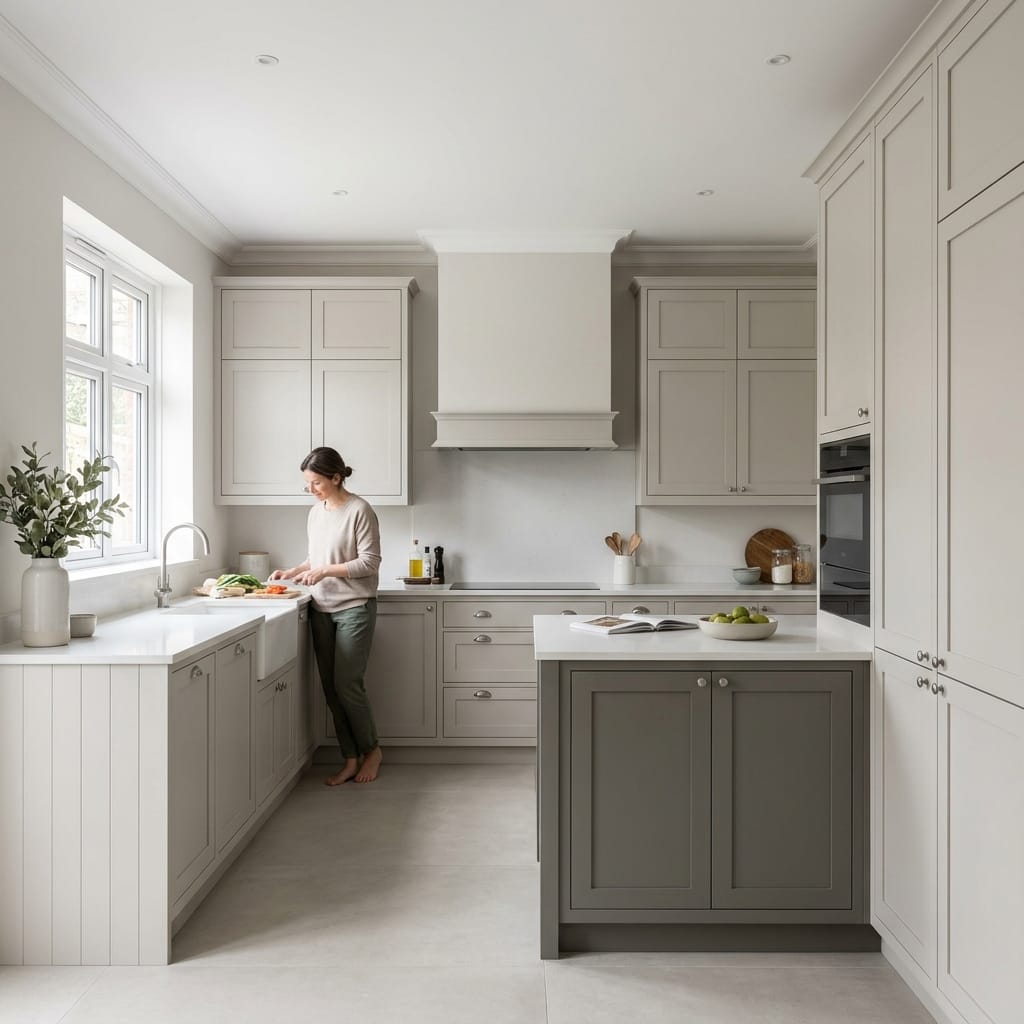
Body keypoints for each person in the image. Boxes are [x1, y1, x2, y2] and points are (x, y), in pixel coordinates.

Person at [270, 447, 383, 785]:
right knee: (330, 689)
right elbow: (315, 557)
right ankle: (349, 758)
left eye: (317, 482)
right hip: (321, 608)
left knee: (348, 684)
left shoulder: (360, 510)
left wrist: (323, 572)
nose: (312, 489)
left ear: (336, 477)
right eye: (307, 483)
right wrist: (294, 570)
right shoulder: (315, 512)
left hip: (354, 608)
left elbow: (370, 562)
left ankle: (372, 751)